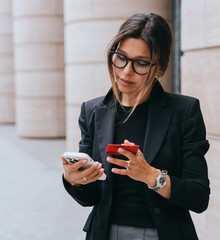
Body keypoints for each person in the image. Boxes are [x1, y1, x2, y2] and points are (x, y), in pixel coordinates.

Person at [61, 12, 210, 240]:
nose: (126, 71)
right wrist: (74, 180)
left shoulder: (184, 111)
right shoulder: (92, 111)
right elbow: (90, 198)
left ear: (159, 67)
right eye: (121, 57)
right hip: (105, 233)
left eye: (141, 63)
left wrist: (152, 176)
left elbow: (199, 197)